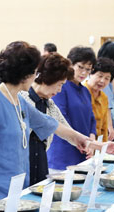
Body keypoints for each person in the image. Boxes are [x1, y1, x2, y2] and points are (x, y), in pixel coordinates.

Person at [0, 41, 114, 198]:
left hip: (18, 186)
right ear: (25, 74)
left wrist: (95, 144)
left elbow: (55, 125)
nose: (37, 76)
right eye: (35, 72)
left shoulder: (19, 101)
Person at [19, 52, 74, 185]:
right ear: (48, 78)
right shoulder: (21, 98)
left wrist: (87, 144)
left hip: (41, 162)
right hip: (21, 164)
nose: (60, 90)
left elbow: (66, 130)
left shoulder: (49, 104)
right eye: (59, 84)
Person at [48, 46, 97, 171]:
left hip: (83, 150)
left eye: (88, 69)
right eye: (80, 67)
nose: (84, 73)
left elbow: (91, 118)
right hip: (64, 151)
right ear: (71, 64)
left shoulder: (85, 90)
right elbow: (61, 118)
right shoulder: (61, 87)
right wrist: (82, 141)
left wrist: (91, 141)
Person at [84, 57, 114, 142]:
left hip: (97, 146)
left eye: (107, 78)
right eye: (100, 76)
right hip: (82, 143)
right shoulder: (81, 93)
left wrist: (103, 149)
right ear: (90, 73)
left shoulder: (104, 97)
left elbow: (104, 128)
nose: (102, 81)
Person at [97, 41, 114, 140]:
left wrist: (112, 77)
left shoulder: (108, 77)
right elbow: (107, 105)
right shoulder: (101, 78)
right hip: (103, 120)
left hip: (107, 118)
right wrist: (110, 126)